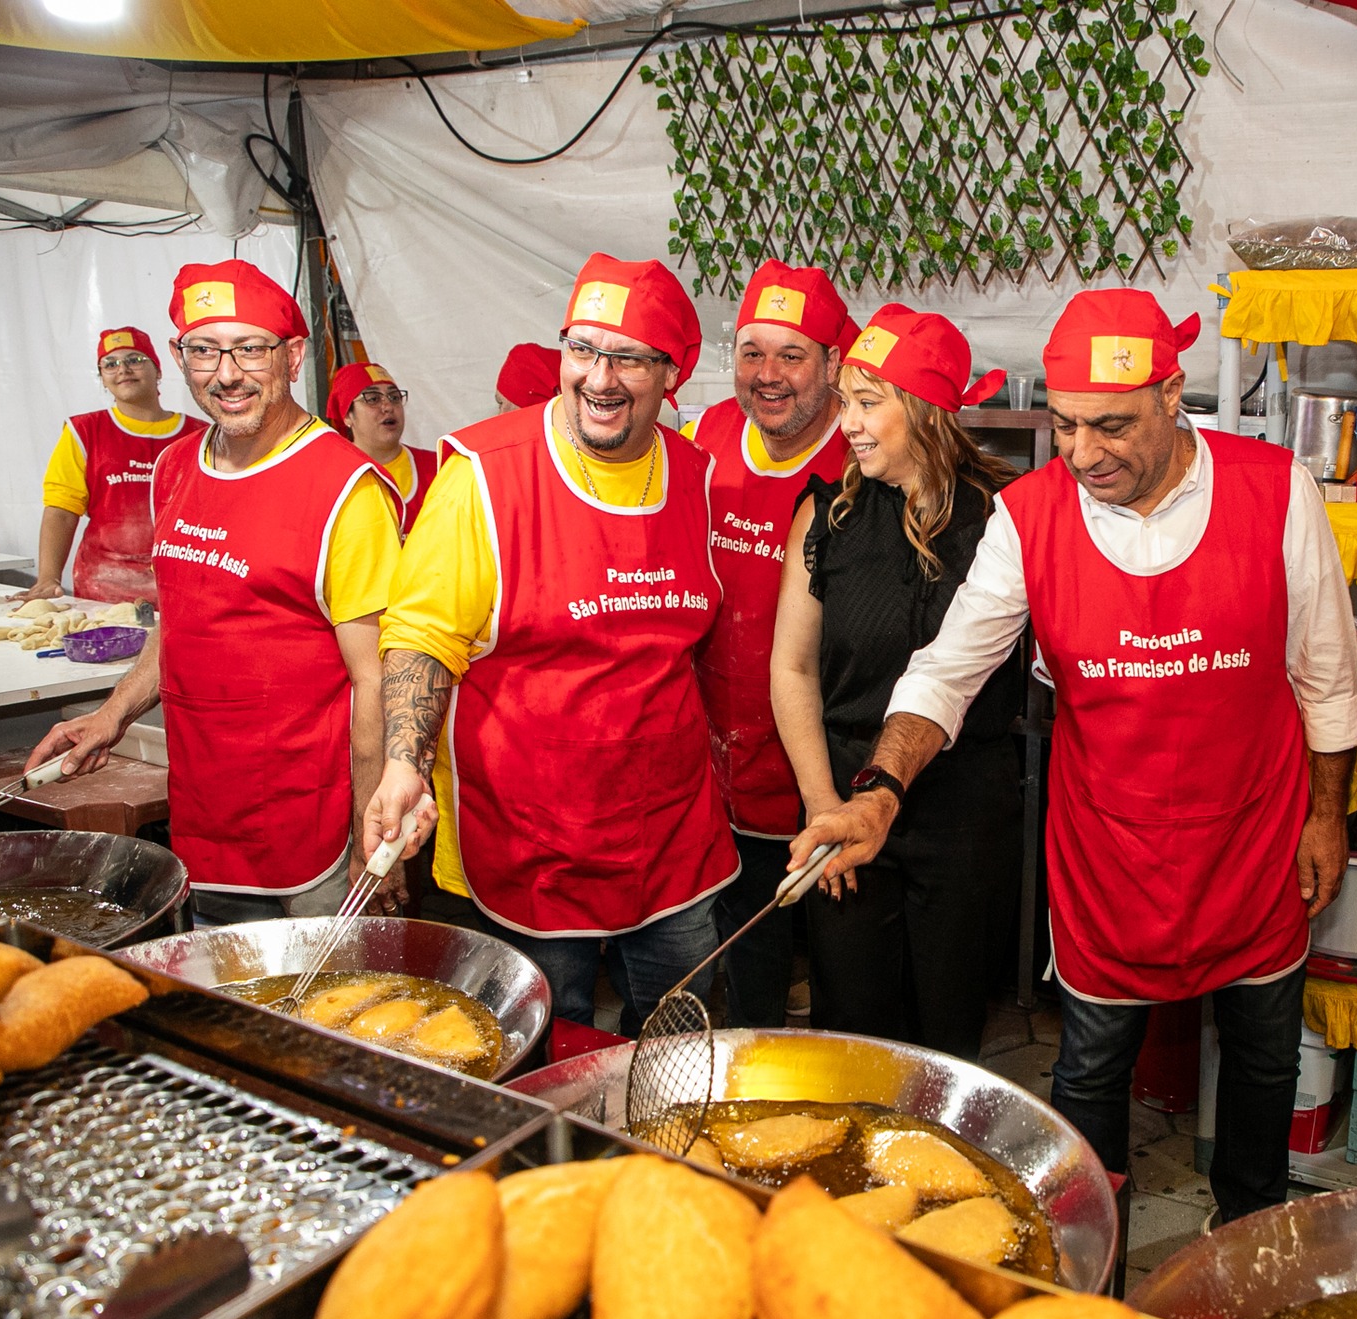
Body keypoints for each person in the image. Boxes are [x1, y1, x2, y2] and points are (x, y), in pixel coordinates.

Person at [792, 289, 1357, 1222]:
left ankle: (1252, 1233)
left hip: (1252, 840)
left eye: (1112, 425)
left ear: (1173, 396)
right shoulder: (1031, 515)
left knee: (1262, 1058)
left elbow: (1328, 677)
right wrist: (880, 791)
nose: (1084, 453)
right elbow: (946, 673)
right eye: (1063, 426)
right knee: (1092, 1064)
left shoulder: (1275, 490)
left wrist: (1326, 815)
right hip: (1110, 851)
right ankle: (1091, 1254)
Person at [366, 254, 738, 1030]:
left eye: (629, 358)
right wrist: (403, 763)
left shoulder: (696, 475)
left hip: (672, 838)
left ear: (675, 373)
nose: (599, 378)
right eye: (582, 349)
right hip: (531, 844)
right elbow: (421, 635)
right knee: (539, 1060)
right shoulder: (486, 473)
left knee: (685, 1053)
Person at [26, 262, 403, 921]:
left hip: (306, 822)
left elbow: (377, 679)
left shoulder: (345, 487)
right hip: (201, 805)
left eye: (250, 348)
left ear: (291, 355)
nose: (226, 373)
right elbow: (180, 620)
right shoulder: (174, 467)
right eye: (203, 349)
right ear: (179, 357)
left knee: (314, 1012)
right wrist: (113, 715)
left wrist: (374, 831)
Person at [770, 303, 1021, 1059]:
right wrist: (822, 807)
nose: (847, 421)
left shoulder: (1004, 518)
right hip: (844, 792)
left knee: (947, 1034)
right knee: (852, 1029)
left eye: (868, 403)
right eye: (846, 401)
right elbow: (793, 667)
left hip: (964, 804)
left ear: (927, 411)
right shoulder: (827, 514)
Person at [693, 260, 858, 1028]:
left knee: (825, 945)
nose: (768, 375)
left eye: (791, 355)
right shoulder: (707, 437)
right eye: (752, 352)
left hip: (813, 760)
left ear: (832, 363)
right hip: (708, 749)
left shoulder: (856, 458)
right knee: (732, 937)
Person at [25, 326, 206, 603]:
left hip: (183, 585)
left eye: (135, 359)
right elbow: (61, 510)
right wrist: (48, 578)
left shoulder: (199, 435)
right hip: (104, 586)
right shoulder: (84, 431)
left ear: (158, 371)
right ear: (102, 379)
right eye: (110, 364)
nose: (123, 369)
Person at [326, 361, 440, 532]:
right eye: (372, 399)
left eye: (394, 398)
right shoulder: (331, 479)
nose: (388, 407)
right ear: (347, 416)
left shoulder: (437, 468)